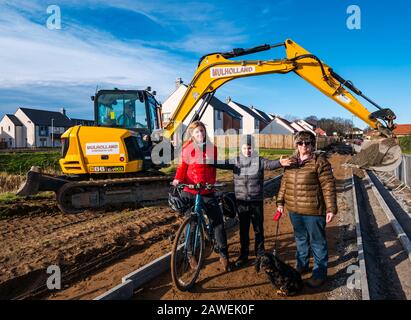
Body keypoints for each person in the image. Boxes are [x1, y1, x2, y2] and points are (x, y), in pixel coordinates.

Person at [213, 135, 292, 268]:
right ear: (241, 148)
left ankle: (260, 253)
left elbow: (269, 164)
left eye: (249, 148)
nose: (247, 150)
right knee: (243, 229)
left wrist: (279, 162)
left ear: (253, 148)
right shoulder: (235, 160)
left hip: (256, 201)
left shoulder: (259, 160)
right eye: (244, 148)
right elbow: (220, 163)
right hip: (242, 201)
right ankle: (243, 254)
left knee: (258, 229)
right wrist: (206, 160)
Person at [276, 131, 337, 288]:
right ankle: (302, 265)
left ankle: (319, 274)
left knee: (317, 242)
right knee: (300, 239)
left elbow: (328, 186)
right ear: (296, 145)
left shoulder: (320, 162)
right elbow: (284, 183)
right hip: (294, 210)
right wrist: (280, 202)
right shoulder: (290, 162)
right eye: (300, 143)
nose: (304, 146)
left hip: (314, 211)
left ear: (312, 145)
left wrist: (331, 208)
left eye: (307, 143)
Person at [172, 121, 231, 272]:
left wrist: (211, 183)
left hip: (206, 190)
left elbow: (213, 170)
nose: (200, 134)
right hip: (190, 190)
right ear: (192, 134)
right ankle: (190, 254)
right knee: (191, 224)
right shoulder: (186, 149)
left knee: (217, 222)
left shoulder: (212, 149)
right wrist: (177, 179)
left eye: (202, 131)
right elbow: (182, 167)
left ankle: (224, 253)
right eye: (197, 132)